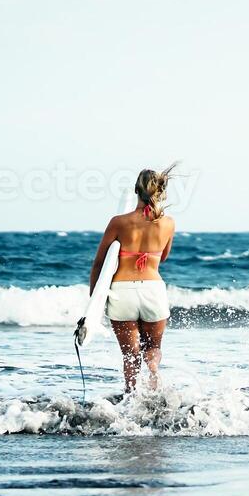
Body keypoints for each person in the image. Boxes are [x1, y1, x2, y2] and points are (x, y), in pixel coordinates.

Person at [88, 166, 177, 393]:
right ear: (160, 192)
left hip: (122, 292)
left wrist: (94, 302)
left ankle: (130, 400)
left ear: (136, 190)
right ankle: (154, 371)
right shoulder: (168, 223)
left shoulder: (118, 222)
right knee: (153, 347)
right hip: (153, 289)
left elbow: (99, 262)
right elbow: (163, 257)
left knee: (130, 355)